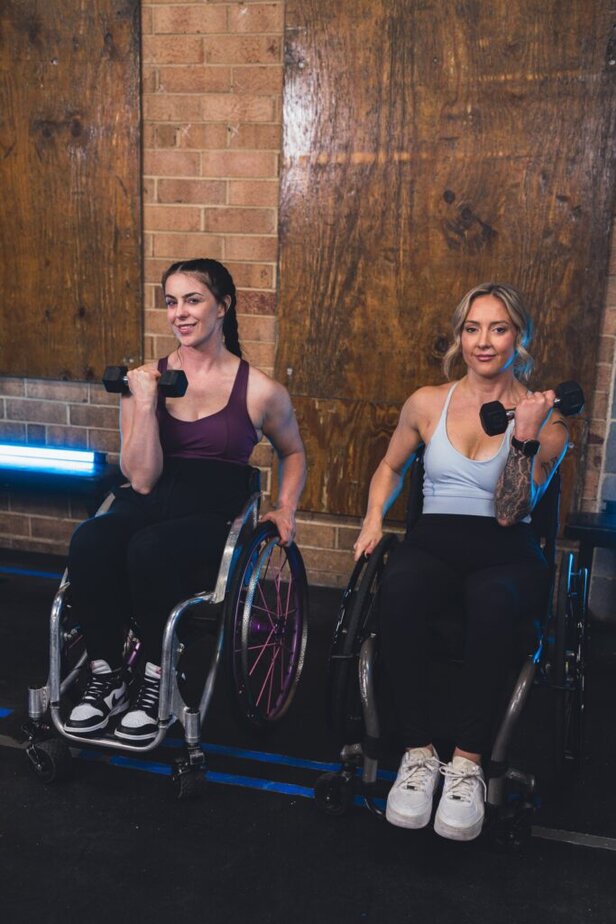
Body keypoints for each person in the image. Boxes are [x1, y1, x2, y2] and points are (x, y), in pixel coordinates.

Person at [353, 282, 569, 842]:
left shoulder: (549, 421)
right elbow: (390, 466)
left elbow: (511, 513)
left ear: (518, 338)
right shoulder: (427, 402)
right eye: (472, 328)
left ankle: (468, 764)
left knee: (491, 600)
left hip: (508, 549)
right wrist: (375, 516)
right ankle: (419, 753)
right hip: (437, 539)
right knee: (400, 588)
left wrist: (523, 439)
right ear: (459, 336)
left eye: (498, 328)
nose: (483, 341)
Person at [64, 258, 306, 742]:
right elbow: (143, 479)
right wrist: (147, 404)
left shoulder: (260, 390)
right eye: (171, 302)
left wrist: (285, 507)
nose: (180, 313)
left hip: (211, 510)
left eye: (193, 300)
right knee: (91, 539)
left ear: (223, 306)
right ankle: (106, 675)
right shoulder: (144, 381)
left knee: (150, 549)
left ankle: (158, 678)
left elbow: (293, 451)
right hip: (150, 498)